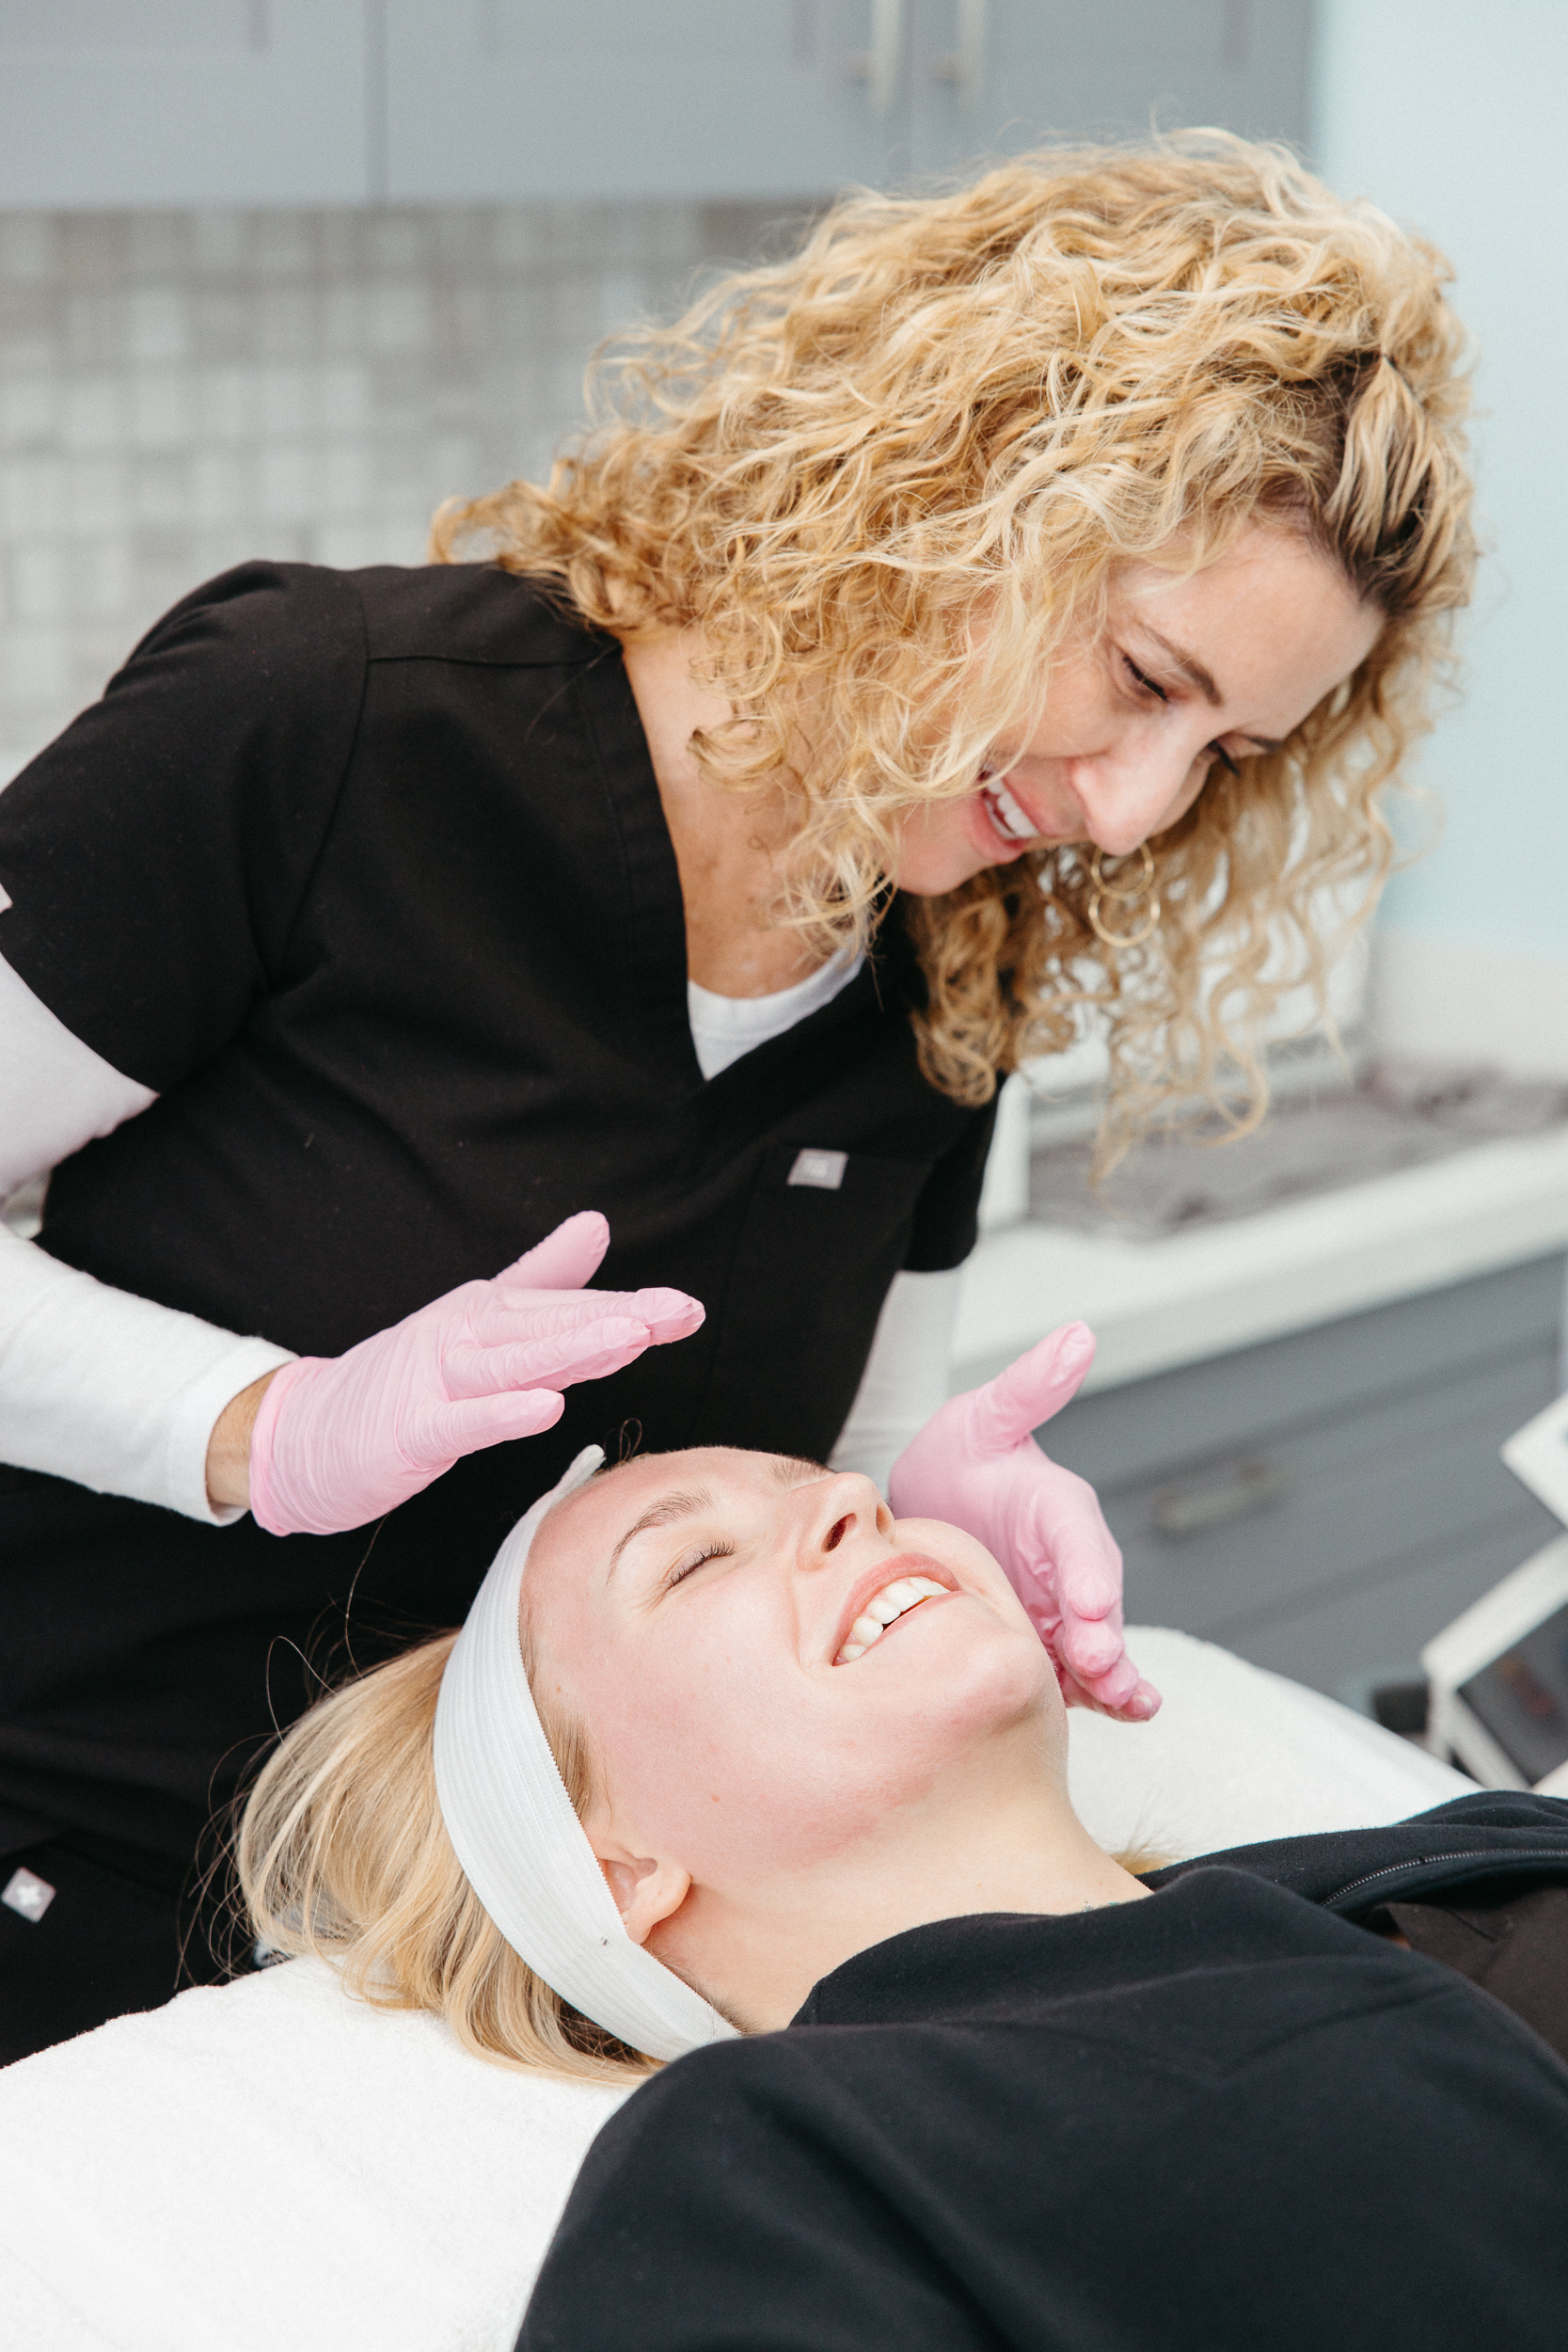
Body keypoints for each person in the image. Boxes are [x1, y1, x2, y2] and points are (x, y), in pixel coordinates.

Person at [0, 133, 1474, 2058]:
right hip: (62, 1851)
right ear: (967, 477)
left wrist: (911, 1502)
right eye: (1138, 673)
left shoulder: (954, 956)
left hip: (496, 1974)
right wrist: (255, 1421)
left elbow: (824, 1468)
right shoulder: (333, 723)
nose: (1133, 804)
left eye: (1226, 746)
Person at [234, 1385, 1568, 2352]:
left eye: (821, 1485)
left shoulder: (1436, 1862)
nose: (849, 1498)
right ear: (616, 1865)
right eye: (695, 1558)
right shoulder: (769, 2165)